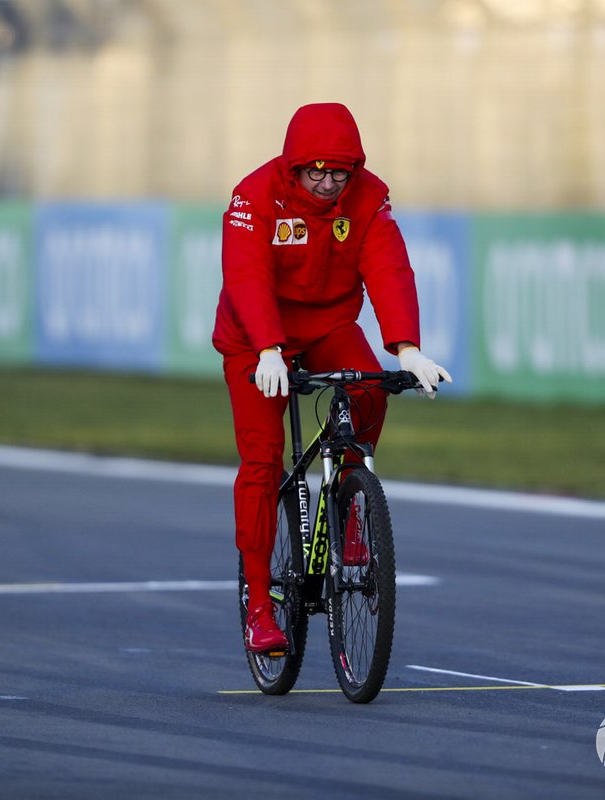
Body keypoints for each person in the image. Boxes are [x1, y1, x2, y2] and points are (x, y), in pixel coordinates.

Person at [213, 102, 452, 653]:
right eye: (313, 170)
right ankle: (258, 606)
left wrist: (408, 348)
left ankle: (350, 512)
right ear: (293, 167)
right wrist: (268, 348)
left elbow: (389, 266)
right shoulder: (253, 196)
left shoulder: (370, 197)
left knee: (370, 388)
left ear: (355, 169)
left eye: (338, 171)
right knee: (261, 459)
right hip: (255, 335)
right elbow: (245, 273)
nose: (325, 182)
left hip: (328, 323)